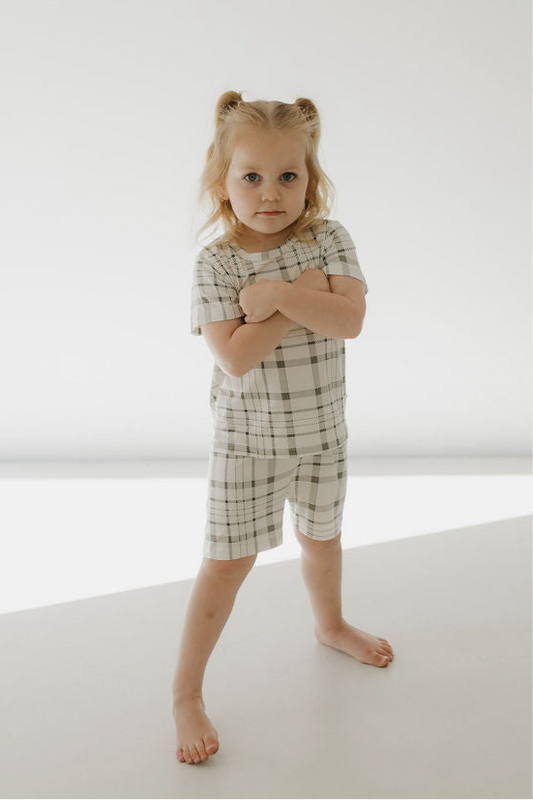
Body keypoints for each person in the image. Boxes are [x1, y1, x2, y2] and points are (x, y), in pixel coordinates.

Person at [172, 90, 394, 765]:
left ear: (309, 180)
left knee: (320, 541)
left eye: (287, 176)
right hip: (249, 444)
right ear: (222, 184)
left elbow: (350, 318)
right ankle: (185, 693)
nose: (270, 192)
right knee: (225, 565)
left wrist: (274, 298)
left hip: (322, 433)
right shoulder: (215, 263)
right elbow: (234, 356)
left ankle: (329, 626)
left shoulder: (328, 237)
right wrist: (303, 300)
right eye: (251, 177)